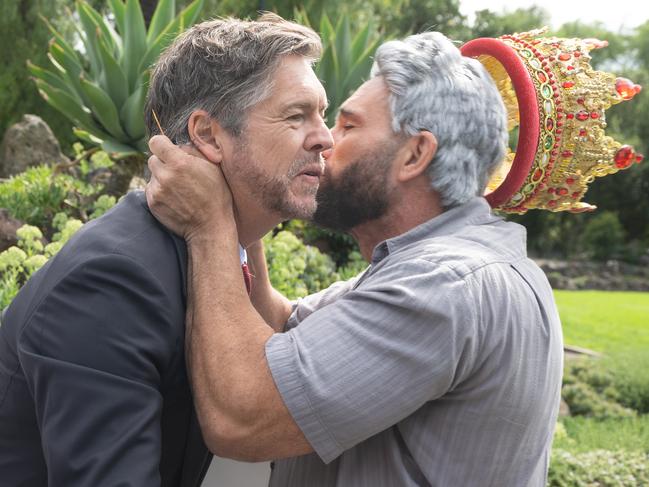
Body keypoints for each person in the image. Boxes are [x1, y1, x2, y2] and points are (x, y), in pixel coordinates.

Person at [146, 31, 564, 486]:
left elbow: (242, 419)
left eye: (348, 125)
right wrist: (248, 195)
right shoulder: (440, 266)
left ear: (415, 154)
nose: (325, 139)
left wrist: (210, 226)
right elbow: (278, 327)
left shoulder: (444, 283)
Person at [0, 15, 331, 486]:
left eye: (323, 113)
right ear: (209, 135)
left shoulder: (214, 250)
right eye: (296, 116)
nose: (325, 137)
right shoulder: (113, 279)